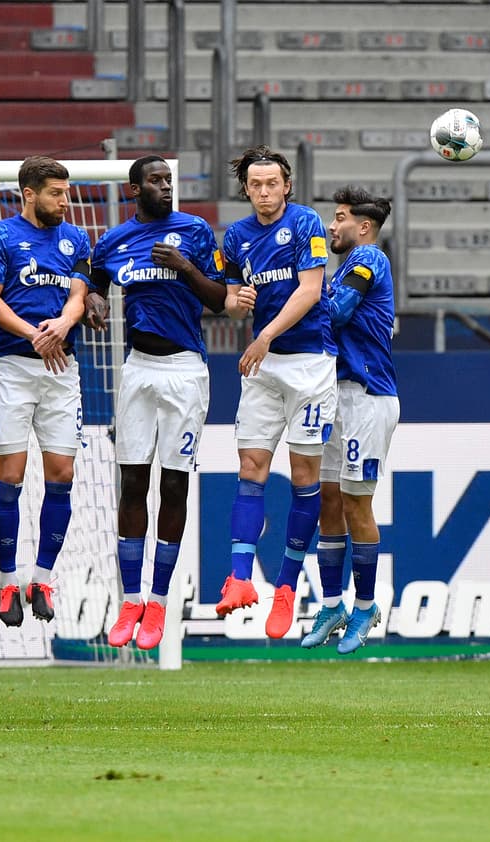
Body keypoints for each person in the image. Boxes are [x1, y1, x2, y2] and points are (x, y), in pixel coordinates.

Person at [85, 155, 235, 651]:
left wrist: (186, 267)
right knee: (132, 480)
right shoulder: (113, 241)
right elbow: (92, 280)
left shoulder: (193, 230)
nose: (166, 186)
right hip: (138, 370)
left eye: (169, 180)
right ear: (134, 190)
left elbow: (219, 300)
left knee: (173, 484)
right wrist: (93, 299)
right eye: (156, 180)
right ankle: (131, 600)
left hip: (186, 371)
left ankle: (159, 602)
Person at [213, 145, 335, 640]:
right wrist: (235, 302)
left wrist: (263, 334)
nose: (264, 192)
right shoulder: (236, 237)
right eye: (255, 185)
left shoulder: (306, 224)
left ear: (287, 185)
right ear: (245, 188)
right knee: (250, 469)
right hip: (264, 368)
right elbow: (228, 299)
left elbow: (310, 290)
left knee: (304, 476)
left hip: (308, 365)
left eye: (272, 184)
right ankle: (240, 579)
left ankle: (285, 589)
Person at [0, 156, 91, 627]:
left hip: (62, 367)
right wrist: (34, 334)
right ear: (29, 193)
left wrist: (64, 323)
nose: (65, 201)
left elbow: (79, 293)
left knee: (62, 472)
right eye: (56, 193)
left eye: (66, 192)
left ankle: (42, 579)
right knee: (10, 476)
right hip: (12, 367)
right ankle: (8, 585)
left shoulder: (75, 237)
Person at [299, 186, 398, 654]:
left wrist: (293, 300)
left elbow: (337, 313)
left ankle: (365, 607)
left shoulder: (370, 259)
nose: (330, 225)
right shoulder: (340, 271)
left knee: (358, 504)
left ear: (362, 226)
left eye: (339, 218)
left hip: (367, 396)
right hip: (335, 397)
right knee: (329, 502)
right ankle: (333, 604)